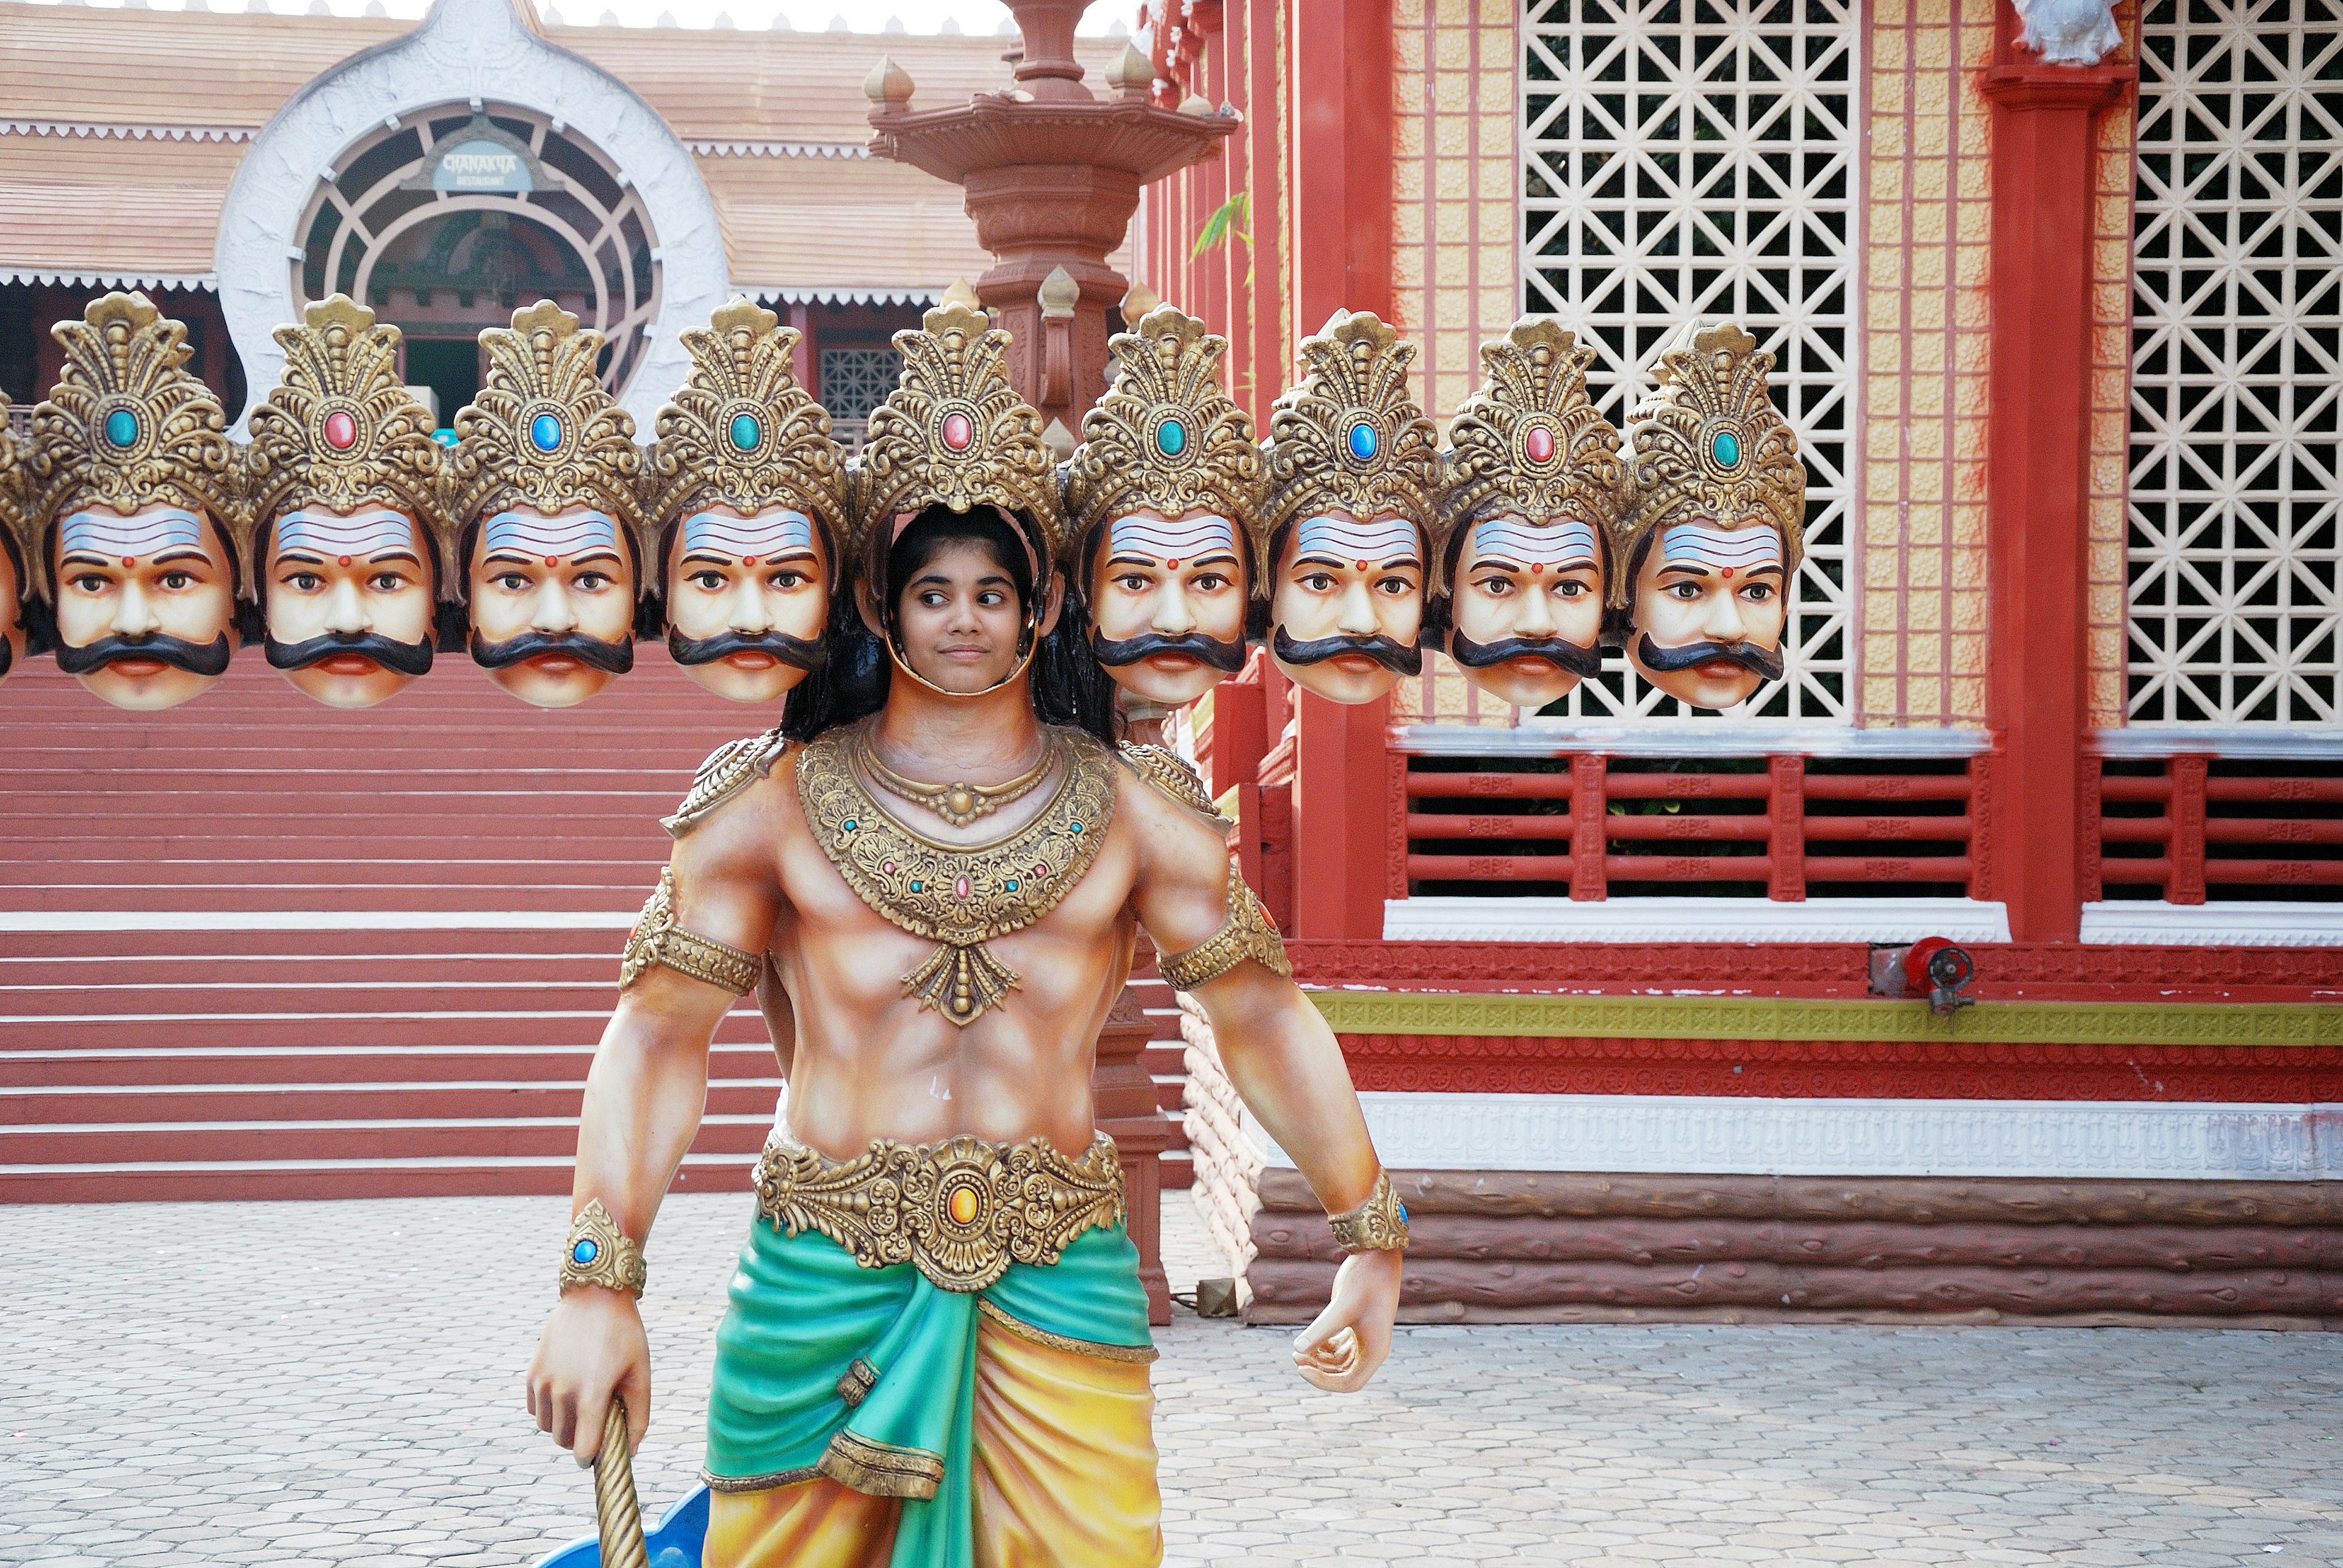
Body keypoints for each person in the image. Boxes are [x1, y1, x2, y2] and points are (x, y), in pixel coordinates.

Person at [525, 302, 1408, 1568]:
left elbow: (1261, 1012)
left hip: (1060, 1274)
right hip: (824, 1280)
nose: (964, 619)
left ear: (1042, 607)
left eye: (993, 590)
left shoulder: (1141, 812)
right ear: (879, 610)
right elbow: (658, 1037)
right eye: (932, 590)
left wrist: (1366, 1231)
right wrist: (597, 1280)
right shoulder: (765, 806)